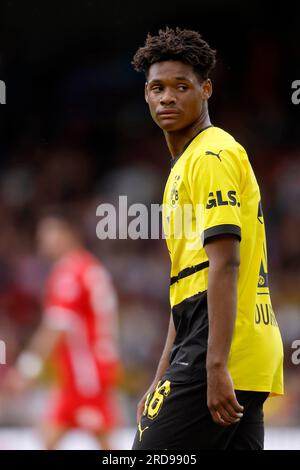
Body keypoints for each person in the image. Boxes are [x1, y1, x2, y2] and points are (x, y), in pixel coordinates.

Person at [131, 27, 284, 450]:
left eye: (182, 87)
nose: (167, 98)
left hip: (218, 348)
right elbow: (188, 281)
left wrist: (214, 365)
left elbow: (226, 262)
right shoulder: (184, 165)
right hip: (229, 347)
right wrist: (164, 371)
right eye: (157, 88)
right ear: (146, 94)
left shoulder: (212, 154)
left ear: (206, 90)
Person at [2, 212, 123, 450]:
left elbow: (56, 327)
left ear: (70, 234)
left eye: (50, 233)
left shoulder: (70, 272)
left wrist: (27, 370)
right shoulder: (89, 267)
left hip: (85, 372)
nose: (43, 240)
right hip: (86, 370)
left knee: (102, 442)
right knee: (50, 438)